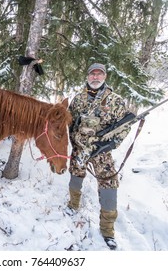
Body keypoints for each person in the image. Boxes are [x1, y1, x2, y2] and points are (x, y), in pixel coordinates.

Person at [67, 63, 134, 250]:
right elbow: (70, 123)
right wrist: (75, 142)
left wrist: (110, 144)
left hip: (101, 151)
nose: (95, 77)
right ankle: (73, 205)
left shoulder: (115, 100)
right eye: (92, 74)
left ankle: (107, 230)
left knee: (109, 184)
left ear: (104, 77)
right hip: (80, 147)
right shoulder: (78, 99)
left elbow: (124, 126)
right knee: (75, 174)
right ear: (88, 76)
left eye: (99, 74)